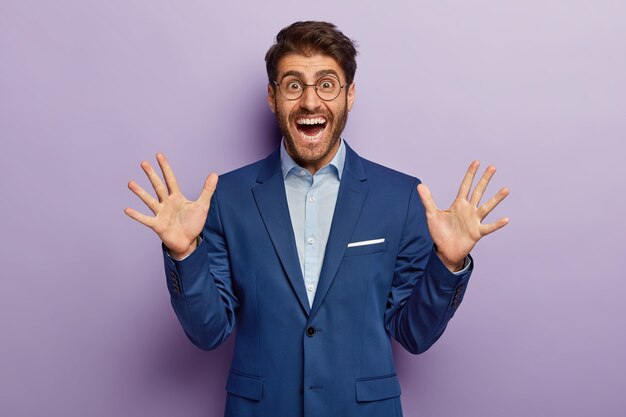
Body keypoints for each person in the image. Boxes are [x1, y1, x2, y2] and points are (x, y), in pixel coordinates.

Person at [125, 21, 509, 417]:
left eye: (327, 84)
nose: (310, 102)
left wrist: (448, 265)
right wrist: (185, 252)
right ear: (273, 97)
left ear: (350, 95)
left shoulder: (403, 198)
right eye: (294, 85)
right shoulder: (226, 198)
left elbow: (414, 334)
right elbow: (208, 333)